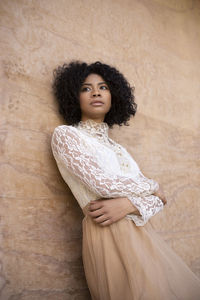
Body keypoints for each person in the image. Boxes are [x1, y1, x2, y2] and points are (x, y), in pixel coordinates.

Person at [51, 61, 200, 300]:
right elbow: (103, 185)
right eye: (86, 88)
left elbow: (159, 202)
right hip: (107, 231)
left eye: (103, 87)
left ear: (114, 96)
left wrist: (130, 205)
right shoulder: (67, 135)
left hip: (144, 235)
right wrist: (153, 186)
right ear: (73, 96)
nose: (96, 92)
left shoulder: (119, 149)